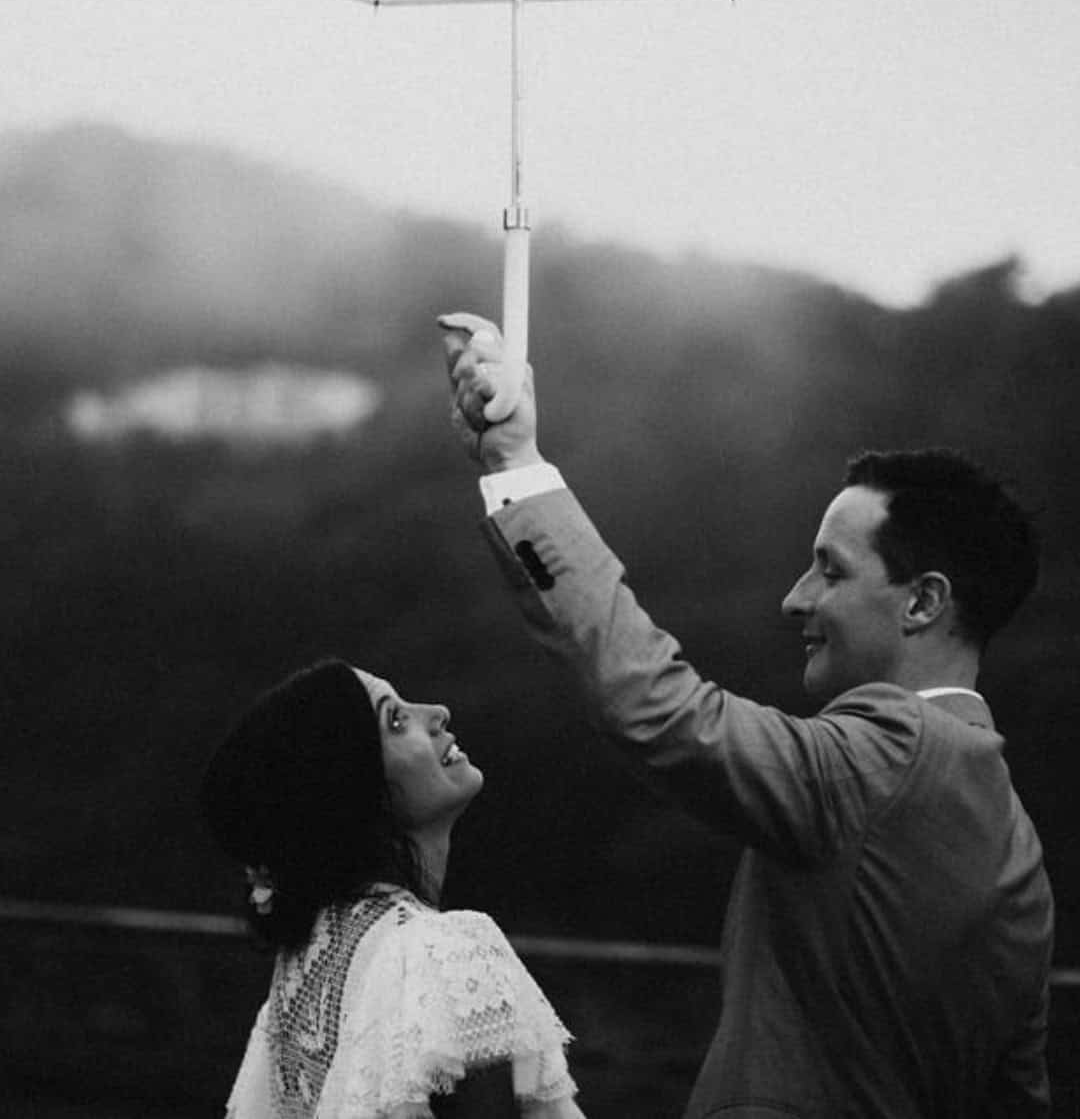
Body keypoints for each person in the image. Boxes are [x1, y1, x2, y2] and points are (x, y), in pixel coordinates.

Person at [439, 312, 1054, 1119]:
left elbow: (657, 707)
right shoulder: (1022, 852)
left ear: (924, 602)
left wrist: (515, 464)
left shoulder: (898, 748)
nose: (794, 598)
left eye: (829, 570)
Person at [201, 657, 586, 1119]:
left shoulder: (304, 970)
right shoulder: (447, 954)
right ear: (356, 789)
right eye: (397, 721)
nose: (438, 712)